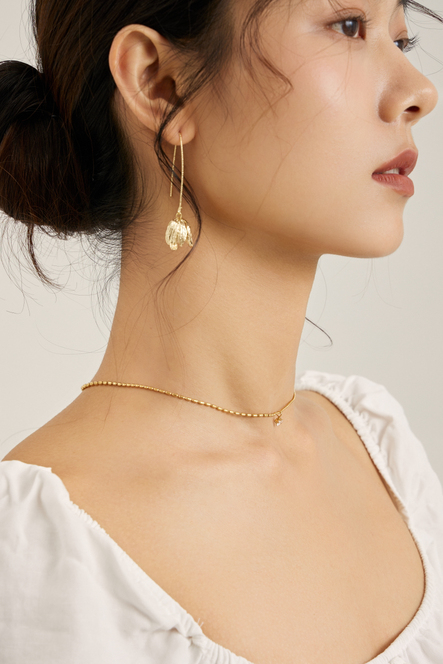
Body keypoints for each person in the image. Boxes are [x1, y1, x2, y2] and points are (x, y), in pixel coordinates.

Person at [0, 0, 442, 662]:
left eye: (400, 39)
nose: (419, 93)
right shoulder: (35, 554)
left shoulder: (384, 456)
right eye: (348, 26)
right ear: (160, 85)